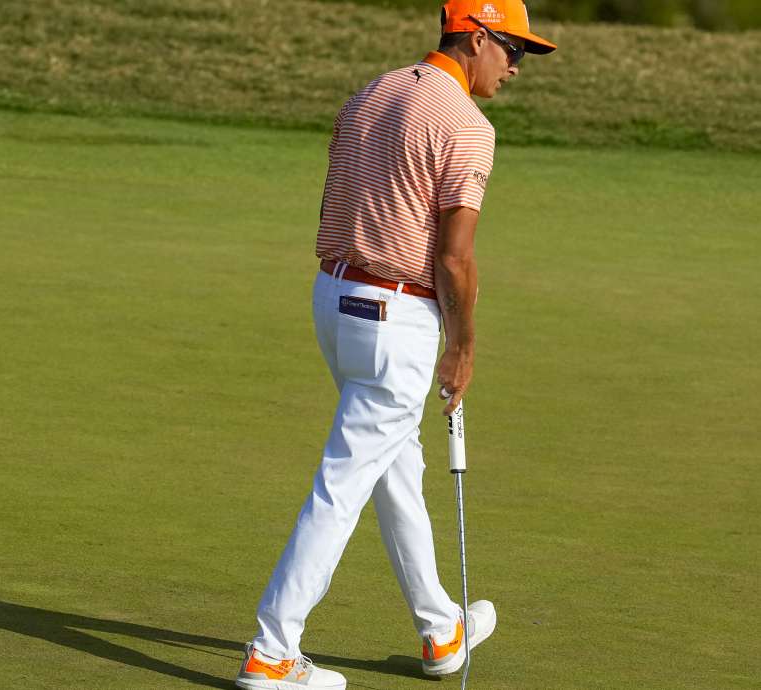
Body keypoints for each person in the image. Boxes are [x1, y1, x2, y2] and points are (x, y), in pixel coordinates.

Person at [233, 2, 557, 688]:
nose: (517, 68)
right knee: (344, 482)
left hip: (335, 301)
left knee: (394, 466)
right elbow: (457, 258)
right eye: (514, 51)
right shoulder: (468, 125)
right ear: (476, 37)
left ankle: (441, 632)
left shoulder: (371, 93)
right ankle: (272, 651)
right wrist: (463, 345)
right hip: (397, 319)